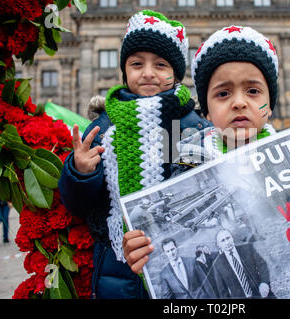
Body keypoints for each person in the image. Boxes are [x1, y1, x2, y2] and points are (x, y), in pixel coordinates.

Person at [122, 25, 290, 289]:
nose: (239, 102)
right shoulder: (186, 158)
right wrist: (141, 249)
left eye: (253, 91)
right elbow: (160, 227)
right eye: (223, 93)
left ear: (269, 107)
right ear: (206, 111)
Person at [58, 10, 211, 299]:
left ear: (177, 74)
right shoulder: (103, 127)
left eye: (161, 64)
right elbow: (76, 204)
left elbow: (202, 180)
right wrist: (80, 172)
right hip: (117, 268)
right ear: (125, 70)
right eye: (137, 63)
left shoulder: (192, 126)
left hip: (180, 252)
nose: (148, 72)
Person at [212, 228, 274, 298]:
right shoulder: (217, 264)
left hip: (261, 293)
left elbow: (262, 265)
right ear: (218, 245)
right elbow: (222, 290)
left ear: (232, 238)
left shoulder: (247, 248)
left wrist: (264, 283)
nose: (227, 242)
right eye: (223, 240)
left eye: (228, 238)